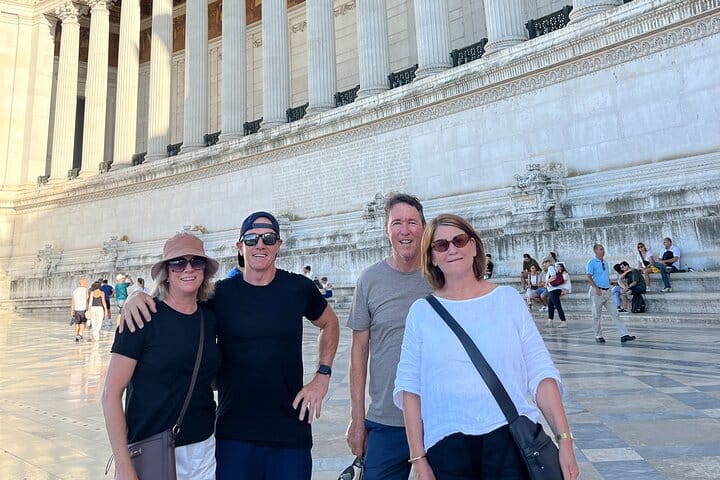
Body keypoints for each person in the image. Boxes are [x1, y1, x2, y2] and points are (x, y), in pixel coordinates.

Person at [121, 212, 340, 480]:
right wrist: (134, 297)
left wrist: (322, 376)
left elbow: (330, 323)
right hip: (233, 435)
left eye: (268, 238)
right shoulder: (220, 294)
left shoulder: (299, 288)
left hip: (290, 433)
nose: (260, 245)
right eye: (251, 239)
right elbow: (177, 302)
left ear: (279, 245)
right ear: (240, 246)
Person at [393, 214, 579, 480]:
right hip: (446, 447)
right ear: (431, 257)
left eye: (459, 240)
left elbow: (540, 373)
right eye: (441, 245)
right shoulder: (421, 312)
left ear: (473, 246)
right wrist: (418, 459)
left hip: (509, 441)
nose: (452, 249)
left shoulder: (508, 299)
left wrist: (565, 440)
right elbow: (410, 389)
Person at [103, 233, 221, 480]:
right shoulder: (142, 317)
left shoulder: (210, 317)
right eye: (178, 262)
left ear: (204, 270)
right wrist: (123, 465)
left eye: (196, 261)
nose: (188, 269)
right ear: (166, 272)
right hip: (151, 449)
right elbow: (111, 394)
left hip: (203, 449)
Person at [347, 193, 432, 480]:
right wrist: (357, 419)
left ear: (424, 227)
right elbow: (359, 353)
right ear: (386, 229)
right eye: (397, 223)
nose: (404, 231)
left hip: (438, 420)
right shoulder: (369, 280)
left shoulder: (442, 275)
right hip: (386, 421)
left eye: (412, 222)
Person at [586, 244, 636, 343]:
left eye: (603, 249)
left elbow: (605, 276)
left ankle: (624, 334)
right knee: (596, 315)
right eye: (601, 249)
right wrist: (596, 288)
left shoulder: (605, 262)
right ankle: (598, 335)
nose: (603, 251)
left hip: (607, 291)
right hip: (597, 291)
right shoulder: (591, 262)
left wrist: (610, 285)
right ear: (595, 251)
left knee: (615, 313)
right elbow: (588, 276)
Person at [546, 257, 568, 328]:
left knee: (558, 306)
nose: (544, 264)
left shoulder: (550, 268)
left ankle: (563, 321)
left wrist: (546, 282)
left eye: (545, 262)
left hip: (554, 290)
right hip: (552, 290)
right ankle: (550, 321)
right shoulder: (554, 268)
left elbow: (554, 276)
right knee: (550, 305)